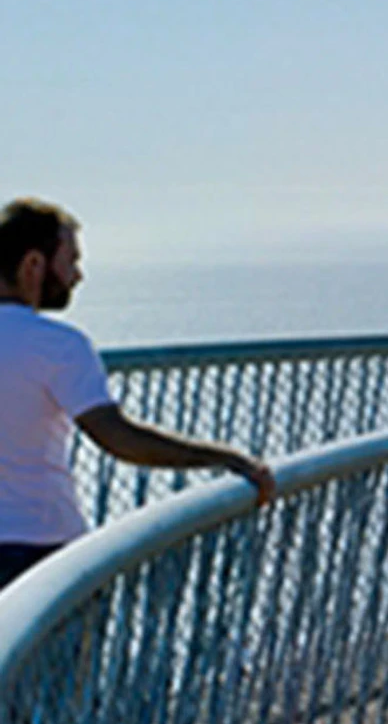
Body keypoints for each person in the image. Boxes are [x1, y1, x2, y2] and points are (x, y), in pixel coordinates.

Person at [0, 198, 276, 592]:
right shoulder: (57, 345)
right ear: (33, 264)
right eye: (71, 261)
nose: (78, 276)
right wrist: (226, 458)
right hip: (38, 548)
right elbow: (118, 438)